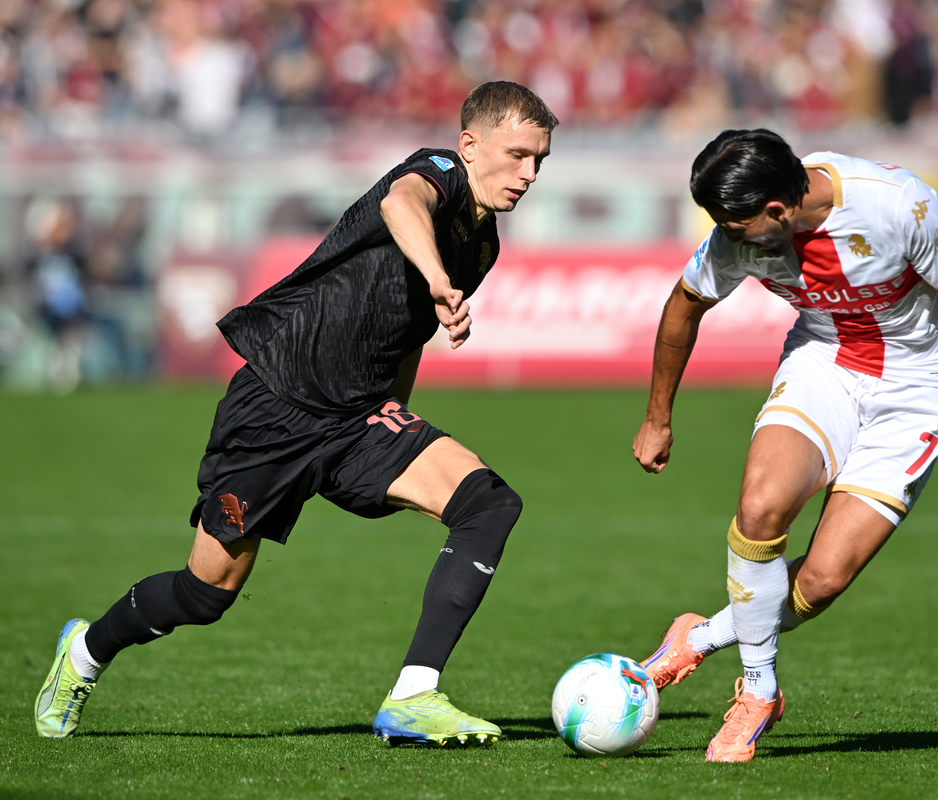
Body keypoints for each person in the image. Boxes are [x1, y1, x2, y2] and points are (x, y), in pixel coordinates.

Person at [34, 81, 558, 746]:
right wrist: (434, 276)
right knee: (207, 592)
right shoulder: (439, 174)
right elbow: (402, 203)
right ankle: (83, 653)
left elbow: (408, 333)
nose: (529, 174)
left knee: (489, 505)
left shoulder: (482, 247)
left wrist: (400, 409)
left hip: (359, 417)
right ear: (469, 143)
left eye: (539, 160)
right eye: (517, 155)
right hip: (276, 403)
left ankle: (413, 696)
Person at [632, 129, 938, 763]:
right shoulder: (739, 234)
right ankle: (760, 690)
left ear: (778, 211)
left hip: (914, 388)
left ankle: (702, 637)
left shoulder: (895, 206)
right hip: (824, 362)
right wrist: (657, 416)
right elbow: (684, 306)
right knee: (760, 509)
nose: (725, 237)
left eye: (736, 225)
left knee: (822, 581)